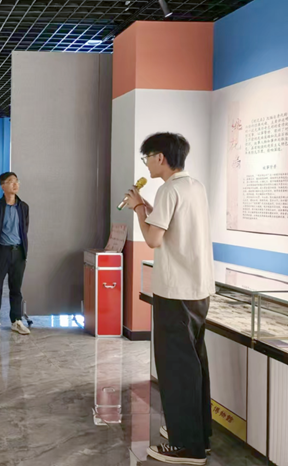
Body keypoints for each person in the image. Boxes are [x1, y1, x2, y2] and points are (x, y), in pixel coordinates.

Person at [124, 133, 214, 466]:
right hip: (198, 291)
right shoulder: (194, 186)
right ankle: (198, 435)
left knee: (176, 369)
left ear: (160, 157)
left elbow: (153, 239)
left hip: (175, 293)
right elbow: (172, 228)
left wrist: (137, 208)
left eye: (147, 157)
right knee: (194, 364)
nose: (146, 163)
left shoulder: (168, 190)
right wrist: (147, 207)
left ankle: (186, 447)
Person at [0, 172, 31, 337]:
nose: (15, 184)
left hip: (18, 252)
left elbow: (24, 228)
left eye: (16, 181)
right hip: (1, 252)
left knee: (16, 289)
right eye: (11, 182)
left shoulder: (23, 207)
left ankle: (16, 320)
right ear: (2, 186)